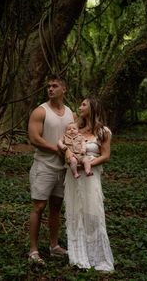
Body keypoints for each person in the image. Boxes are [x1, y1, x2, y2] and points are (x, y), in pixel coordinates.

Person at [64, 96, 114, 272]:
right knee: (75, 211)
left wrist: (88, 163)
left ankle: (97, 256)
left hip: (90, 176)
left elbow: (105, 155)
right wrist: (70, 157)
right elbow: (65, 147)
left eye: (83, 104)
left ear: (92, 108)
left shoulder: (103, 132)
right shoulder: (74, 129)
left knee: (93, 212)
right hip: (74, 176)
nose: (80, 107)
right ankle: (78, 256)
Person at [28, 74, 74, 265]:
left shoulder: (71, 113)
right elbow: (35, 139)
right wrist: (59, 150)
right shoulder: (40, 111)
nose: (50, 89)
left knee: (56, 207)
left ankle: (54, 246)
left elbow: (75, 137)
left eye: (55, 86)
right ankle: (33, 251)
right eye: (48, 86)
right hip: (44, 166)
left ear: (64, 90)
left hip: (63, 169)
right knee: (39, 207)